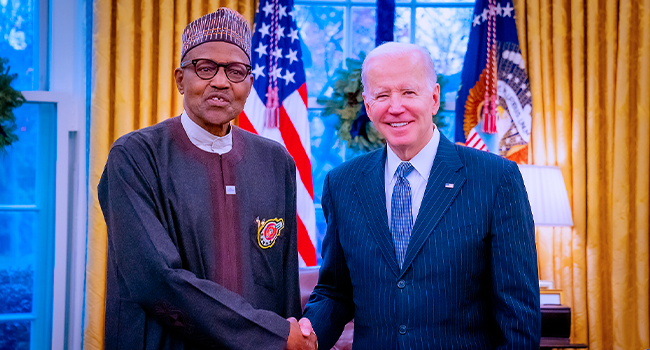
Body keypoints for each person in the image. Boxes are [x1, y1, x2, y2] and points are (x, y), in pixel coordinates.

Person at [98, 8, 316, 350]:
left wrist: (286, 336)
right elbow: (156, 280)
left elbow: (284, 284)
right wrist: (271, 336)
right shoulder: (136, 157)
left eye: (235, 71)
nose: (220, 81)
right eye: (205, 68)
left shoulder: (277, 163)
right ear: (180, 79)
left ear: (249, 83)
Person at [301, 42, 541, 349]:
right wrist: (306, 334)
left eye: (408, 92)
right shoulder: (342, 184)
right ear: (367, 104)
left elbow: (518, 318)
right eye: (382, 95)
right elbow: (335, 291)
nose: (395, 106)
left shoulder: (496, 179)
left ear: (434, 98)